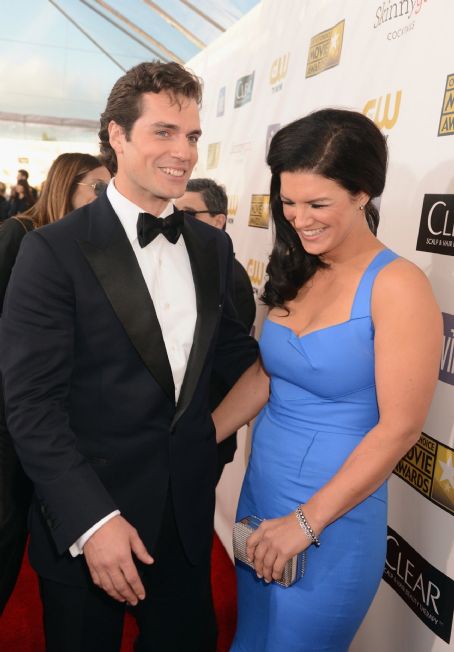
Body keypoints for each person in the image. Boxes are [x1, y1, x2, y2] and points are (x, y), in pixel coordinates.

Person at [0, 61, 258, 652]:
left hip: (186, 525)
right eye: (163, 132)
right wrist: (92, 521)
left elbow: (238, 361)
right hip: (90, 523)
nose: (184, 153)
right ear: (117, 136)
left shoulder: (213, 248)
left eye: (192, 136)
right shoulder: (51, 249)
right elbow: (32, 406)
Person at [213, 108, 442, 651]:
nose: (299, 218)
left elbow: (401, 430)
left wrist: (305, 523)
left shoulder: (399, 286)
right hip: (260, 495)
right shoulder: (299, 267)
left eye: (318, 204)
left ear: (363, 193)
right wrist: (198, 433)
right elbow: (267, 375)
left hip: (331, 519)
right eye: (288, 202)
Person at [0, 152, 111, 615]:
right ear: (67, 185)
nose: (107, 200)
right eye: (98, 189)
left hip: (60, 420)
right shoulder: (18, 234)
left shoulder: (94, 247)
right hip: (10, 416)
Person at [175, 177, 256, 482]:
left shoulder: (231, 278)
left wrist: (206, 431)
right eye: (174, 212)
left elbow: (230, 361)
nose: (178, 223)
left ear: (219, 221)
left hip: (206, 429)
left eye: (189, 214)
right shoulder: (182, 265)